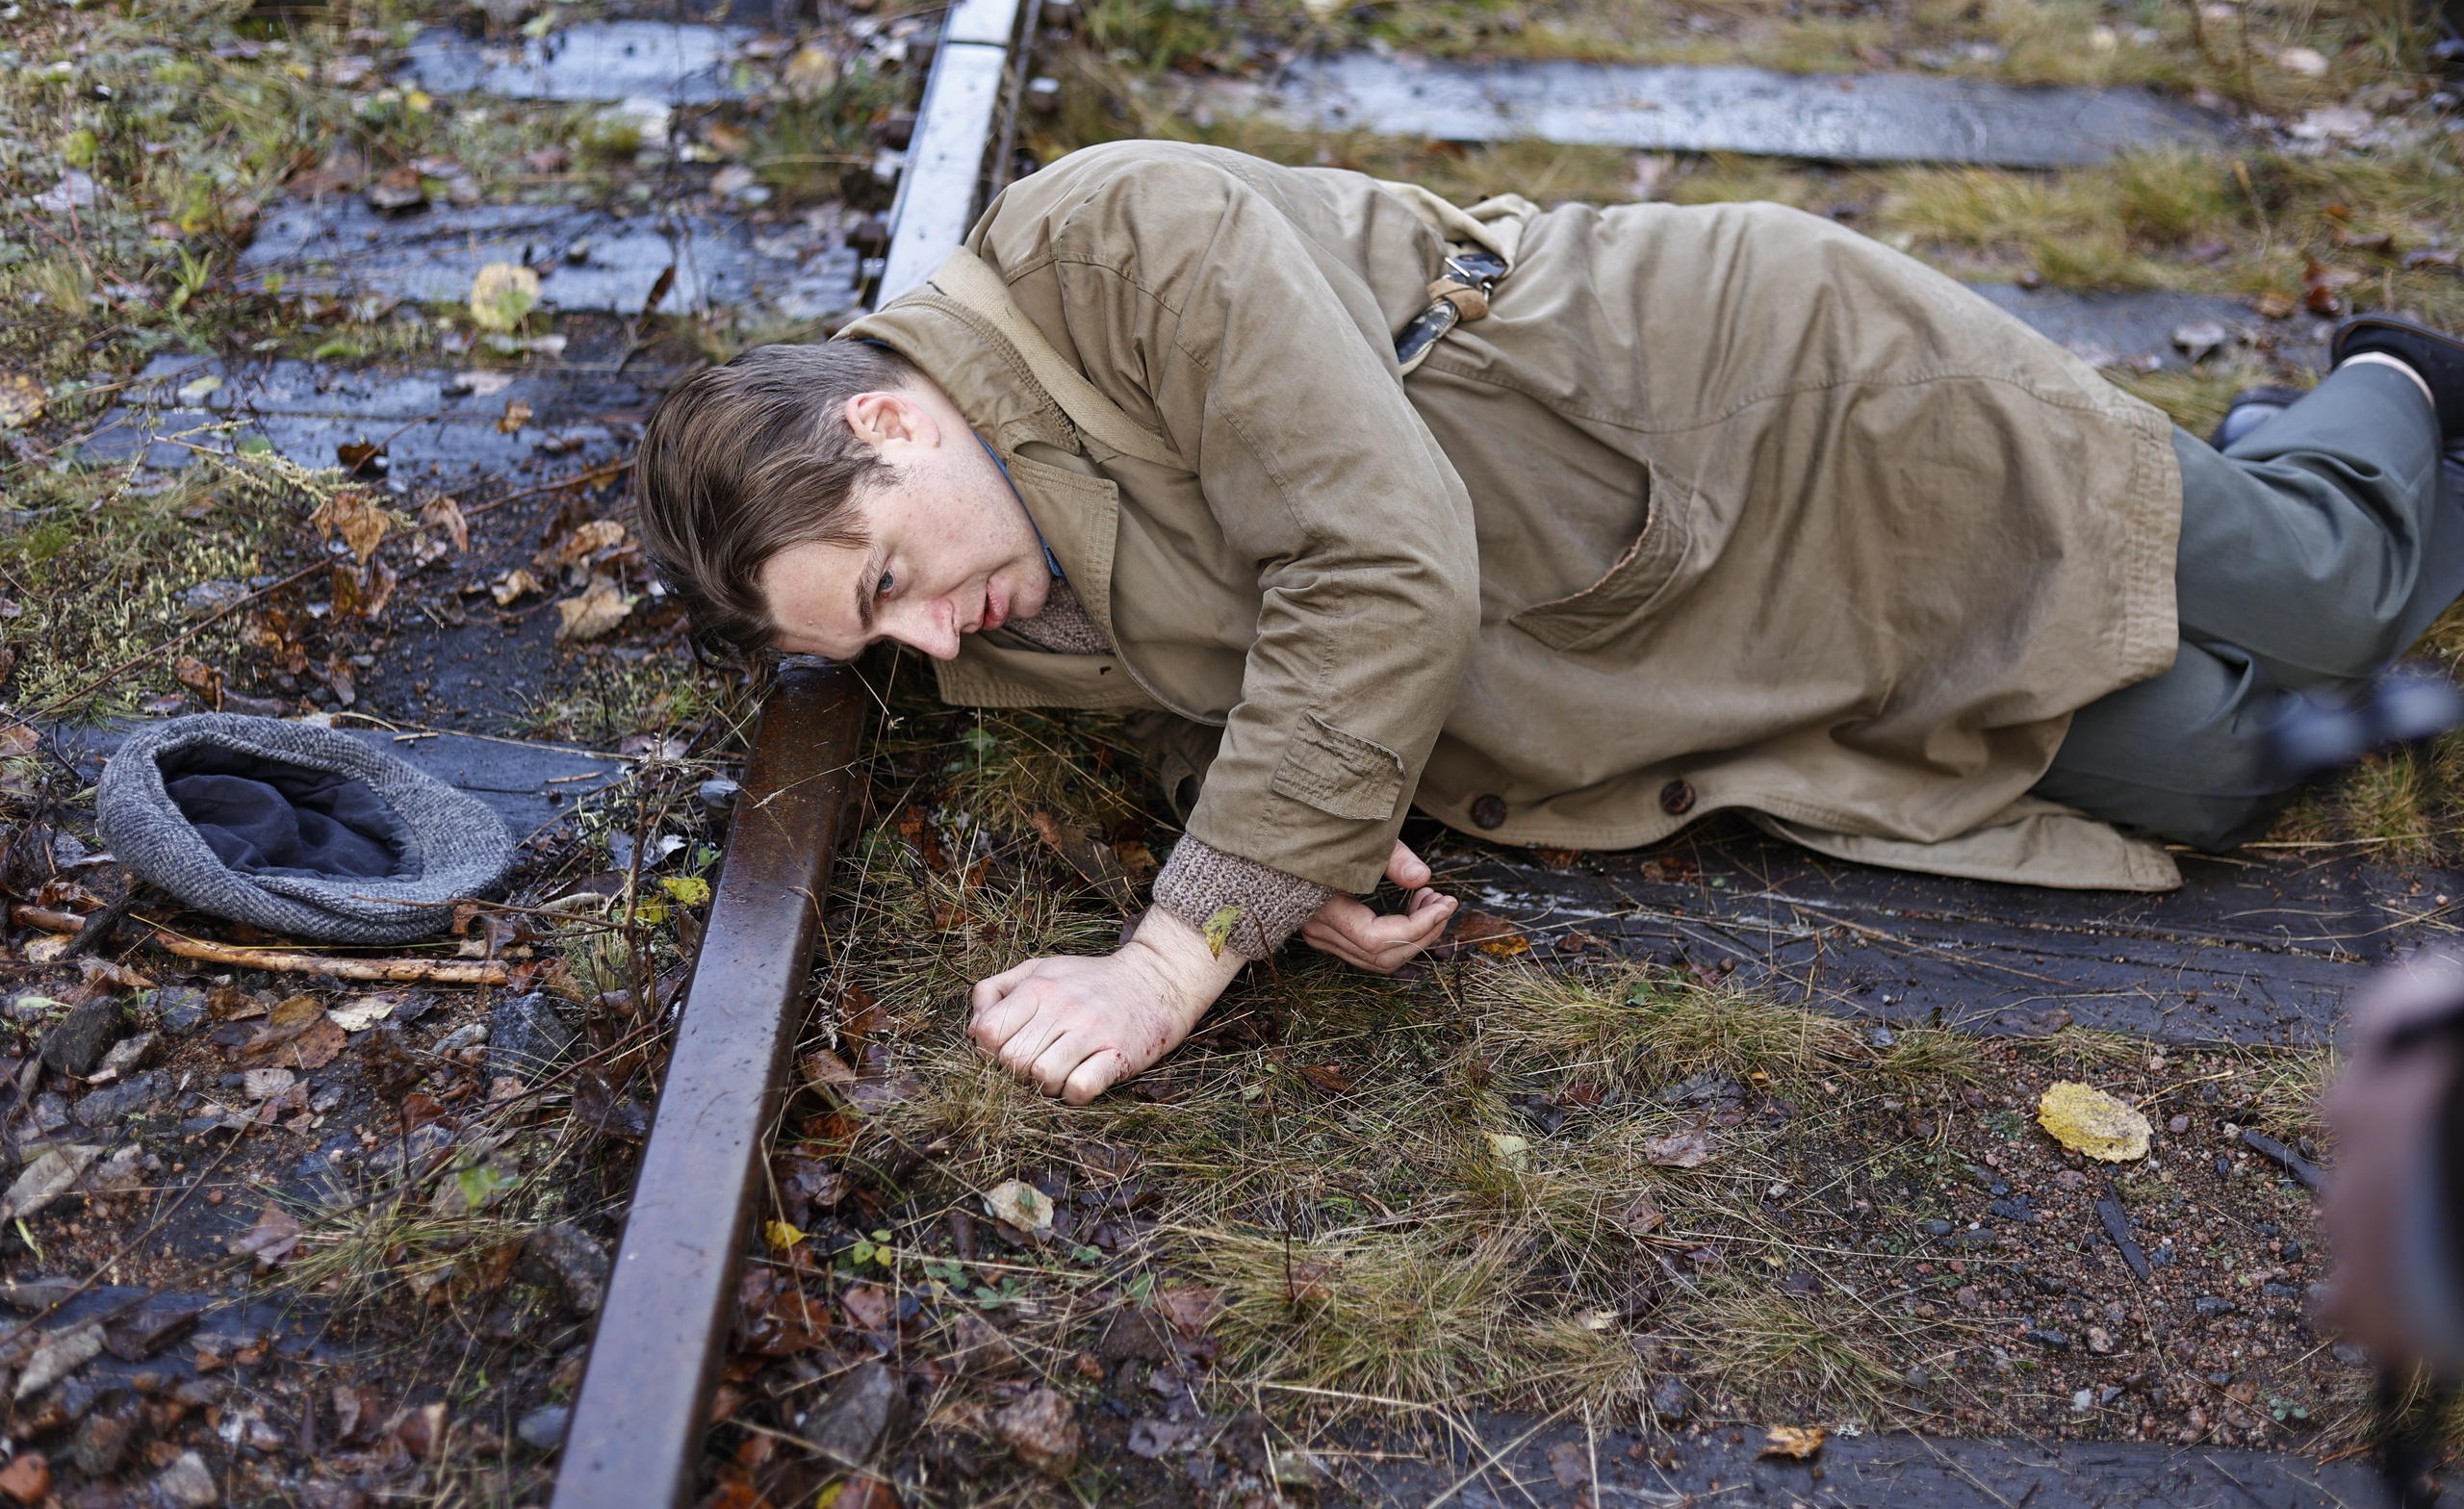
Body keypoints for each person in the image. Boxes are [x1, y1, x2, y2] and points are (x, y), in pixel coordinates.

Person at [636, 139, 2464, 1105]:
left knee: (2336, 596)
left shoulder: (1117, 239)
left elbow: (1377, 565)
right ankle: (2242, 466)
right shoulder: (999, 601)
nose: (929, 647)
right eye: (879, 648)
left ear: (886, 421)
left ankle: (2383, 382)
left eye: (887, 588)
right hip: (1679, 657)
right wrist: (1302, 856)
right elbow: (1215, 696)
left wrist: (1180, 953)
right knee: (2215, 769)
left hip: (1790, 416)